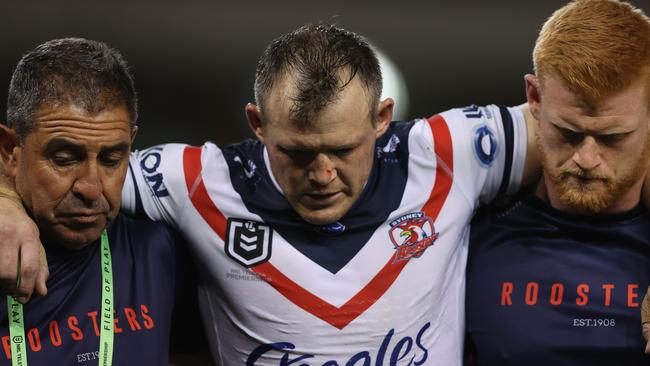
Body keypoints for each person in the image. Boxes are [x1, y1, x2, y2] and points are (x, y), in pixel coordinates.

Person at [465, 0, 650, 364]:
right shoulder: (468, 231)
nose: (586, 159)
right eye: (568, 133)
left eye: (613, 138)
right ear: (534, 97)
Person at [0, 38, 203, 365]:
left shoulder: (162, 249)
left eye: (111, 159)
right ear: (10, 149)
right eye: (65, 159)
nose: (92, 188)